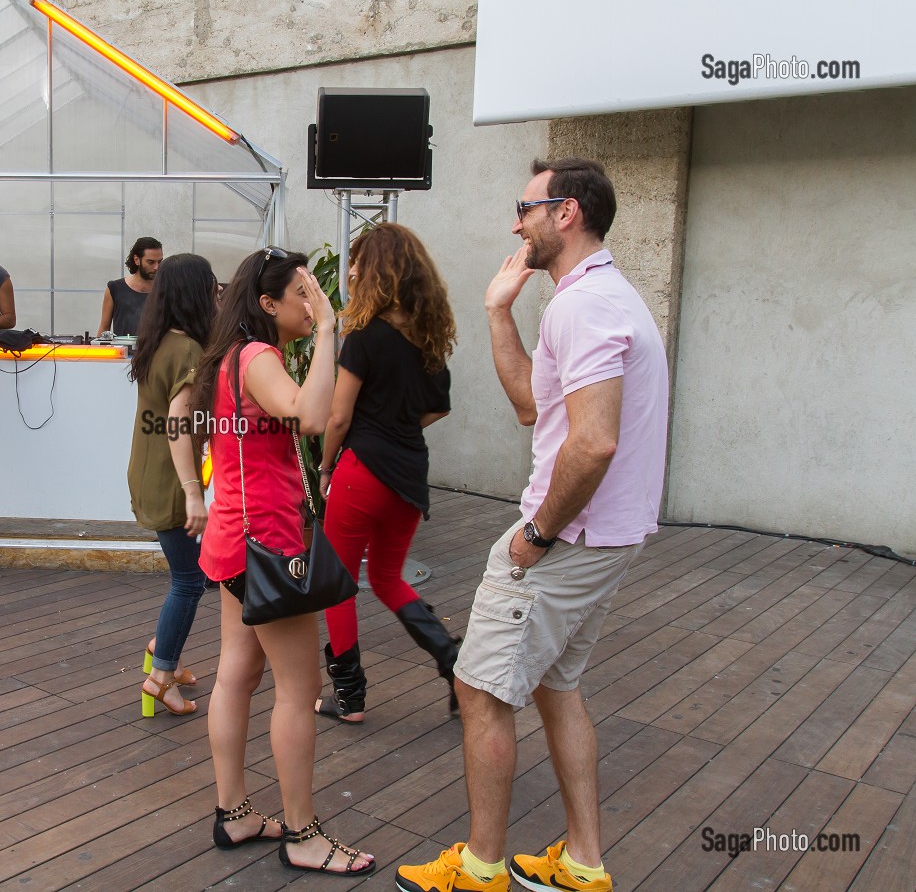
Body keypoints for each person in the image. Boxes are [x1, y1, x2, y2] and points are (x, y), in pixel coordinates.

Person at [396, 158, 669, 892]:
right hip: (603, 535)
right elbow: (531, 405)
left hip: (566, 538)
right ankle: (583, 862)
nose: (516, 223)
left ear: (567, 212)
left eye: (527, 207)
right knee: (556, 683)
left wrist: (536, 535)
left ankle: (481, 868)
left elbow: (594, 440)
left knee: (480, 689)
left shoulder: (583, 306)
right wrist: (496, 311)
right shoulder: (595, 297)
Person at [192, 246, 375, 876]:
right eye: (301, 291)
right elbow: (313, 416)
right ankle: (303, 834)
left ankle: (234, 812)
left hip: (233, 541)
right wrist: (329, 329)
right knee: (302, 688)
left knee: (236, 676)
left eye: (312, 291)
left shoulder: (229, 358)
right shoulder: (260, 357)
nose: (312, 299)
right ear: (267, 304)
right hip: (266, 545)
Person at [314, 224, 460, 724]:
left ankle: (349, 696)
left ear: (375, 271)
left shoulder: (364, 337)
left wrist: (325, 466)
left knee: (336, 582)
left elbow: (337, 416)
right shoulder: (429, 340)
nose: (350, 271)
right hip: (408, 475)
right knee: (387, 577)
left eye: (357, 263)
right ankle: (454, 662)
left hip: (360, 472)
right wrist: (396, 424)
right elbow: (437, 409)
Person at [126, 253, 216, 717]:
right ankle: (160, 675)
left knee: (186, 577)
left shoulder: (158, 341)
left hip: (148, 471)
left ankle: (167, 653)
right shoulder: (187, 351)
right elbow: (178, 424)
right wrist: (193, 493)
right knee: (189, 581)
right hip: (170, 480)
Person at [98, 236, 162, 336]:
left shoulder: (166, 290)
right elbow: (104, 329)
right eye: (150, 262)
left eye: (159, 261)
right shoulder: (115, 289)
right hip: (123, 350)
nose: (156, 267)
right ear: (137, 260)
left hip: (157, 351)